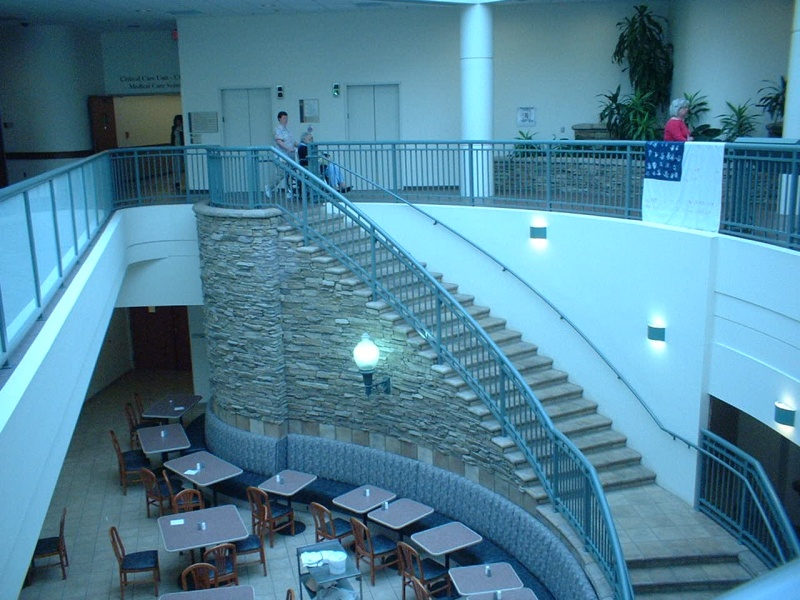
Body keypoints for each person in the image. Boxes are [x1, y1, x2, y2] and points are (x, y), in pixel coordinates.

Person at [170, 114, 184, 192]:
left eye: (179, 120)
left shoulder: (184, 128)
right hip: (176, 148)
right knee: (177, 166)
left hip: (183, 149)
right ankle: (177, 182)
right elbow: (172, 138)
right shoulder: (173, 128)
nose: (177, 122)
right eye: (176, 121)